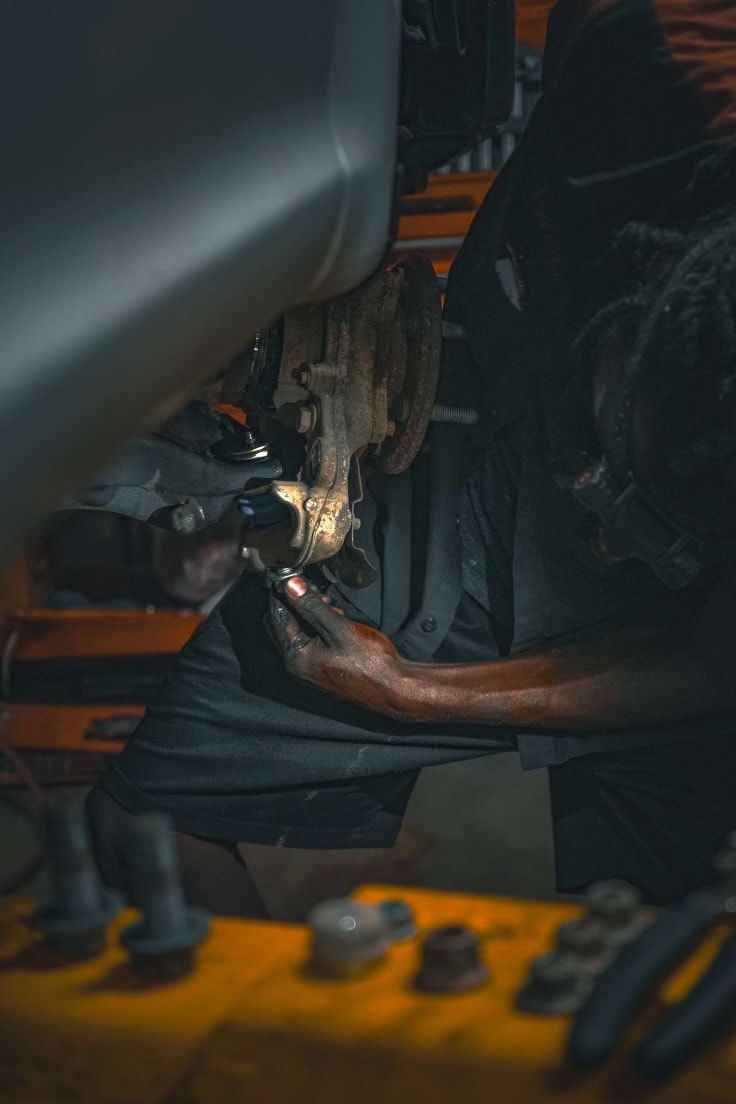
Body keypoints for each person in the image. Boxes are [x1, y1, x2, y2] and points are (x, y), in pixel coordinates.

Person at [88, 0, 736, 914]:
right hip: (480, 472)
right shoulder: (647, 60)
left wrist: (415, 692)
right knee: (142, 822)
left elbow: (717, 661)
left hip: (664, 650)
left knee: (655, 946)